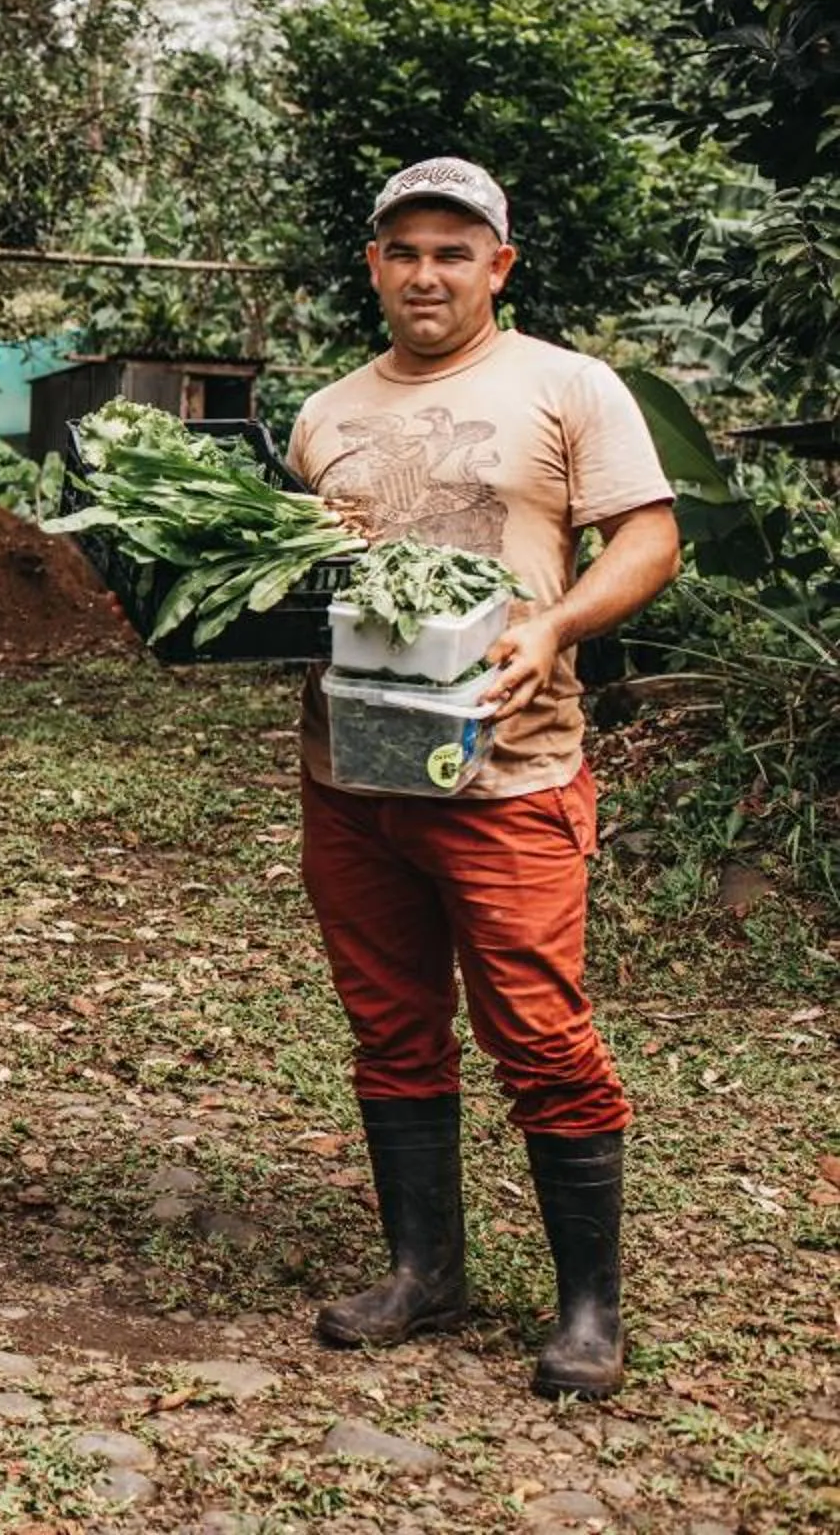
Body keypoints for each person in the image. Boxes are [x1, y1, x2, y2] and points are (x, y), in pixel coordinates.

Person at [288, 157, 677, 1401]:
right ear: (375, 265)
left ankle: (587, 1310)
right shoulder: (322, 414)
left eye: (456, 250)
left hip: (509, 769)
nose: (428, 272)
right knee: (390, 1021)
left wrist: (555, 626)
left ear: (498, 266)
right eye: (405, 249)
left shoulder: (567, 383)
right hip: (354, 769)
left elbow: (652, 533)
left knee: (541, 1031)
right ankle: (425, 1270)